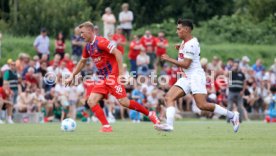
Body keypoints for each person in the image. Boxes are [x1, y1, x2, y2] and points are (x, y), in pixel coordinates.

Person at [65, 21, 160, 132]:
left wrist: (121, 75)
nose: (81, 35)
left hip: (113, 76)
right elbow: (82, 62)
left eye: (82, 32)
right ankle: (106, 126)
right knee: (91, 101)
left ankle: (150, 114)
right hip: (103, 78)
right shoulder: (87, 47)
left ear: (90, 31)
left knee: (124, 102)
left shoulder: (101, 42)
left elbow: (118, 53)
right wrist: (72, 76)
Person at [154, 19, 240, 132]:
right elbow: (187, 52)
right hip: (186, 77)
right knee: (168, 97)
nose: (177, 31)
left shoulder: (191, 44)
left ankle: (232, 115)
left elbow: (186, 64)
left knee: (202, 105)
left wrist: (169, 59)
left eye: (179, 29)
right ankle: (169, 125)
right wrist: (180, 48)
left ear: (186, 29)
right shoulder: (187, 42)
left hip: (195, 77)